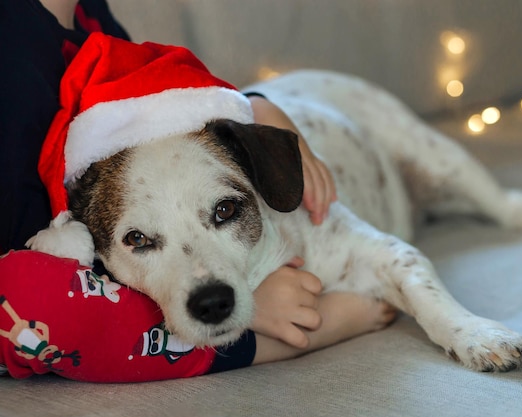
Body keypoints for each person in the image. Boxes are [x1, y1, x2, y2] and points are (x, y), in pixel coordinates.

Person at [0, 0, 395, 382]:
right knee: (32, 296)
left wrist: (250, 108)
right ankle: (280, 339)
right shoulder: (13, 39)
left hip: (86, 245)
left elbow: (153, 113)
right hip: (26, 261)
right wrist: (256, 307)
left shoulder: (91, 16)